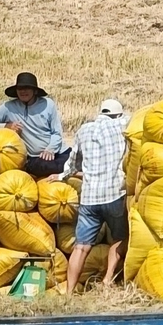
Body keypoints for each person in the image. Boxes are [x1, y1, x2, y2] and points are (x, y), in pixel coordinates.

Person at [56, 98, 130, 296]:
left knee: (81, 247)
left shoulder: (84, 130)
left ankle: (69, 292)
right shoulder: (121, 125)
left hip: (89, 198)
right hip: (115, 194)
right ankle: (108, 279)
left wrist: (62, 176)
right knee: (121, 237)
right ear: (117, 115)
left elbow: (72, 162)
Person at [0, 71, 67, 177]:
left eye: (27, 88)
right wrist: (6, 126)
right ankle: (70, 171)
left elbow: (56, 132)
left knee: (76, 158)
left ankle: (70, 169)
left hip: (57, 151)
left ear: (35, 91)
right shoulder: (8, 107)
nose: (23, 91)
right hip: (36, 158)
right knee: (39, 167)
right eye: (20, 88)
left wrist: (50, 150)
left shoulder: (48, 104)